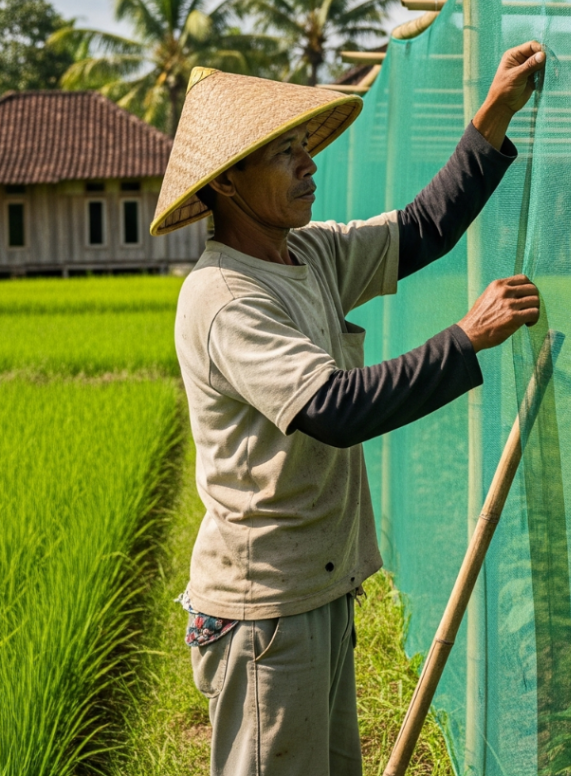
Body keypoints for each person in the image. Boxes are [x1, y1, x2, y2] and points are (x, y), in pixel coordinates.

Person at [150, 42, 546, 776]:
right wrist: (465, 338)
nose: (308, 163)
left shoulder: (311, 253)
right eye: (283, 154)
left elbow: (423, 228)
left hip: (320, 584)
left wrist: (495, 112)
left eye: (306, 147)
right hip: (264, 607)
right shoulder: (224, 296)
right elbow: (333, 406)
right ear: (228, 183)